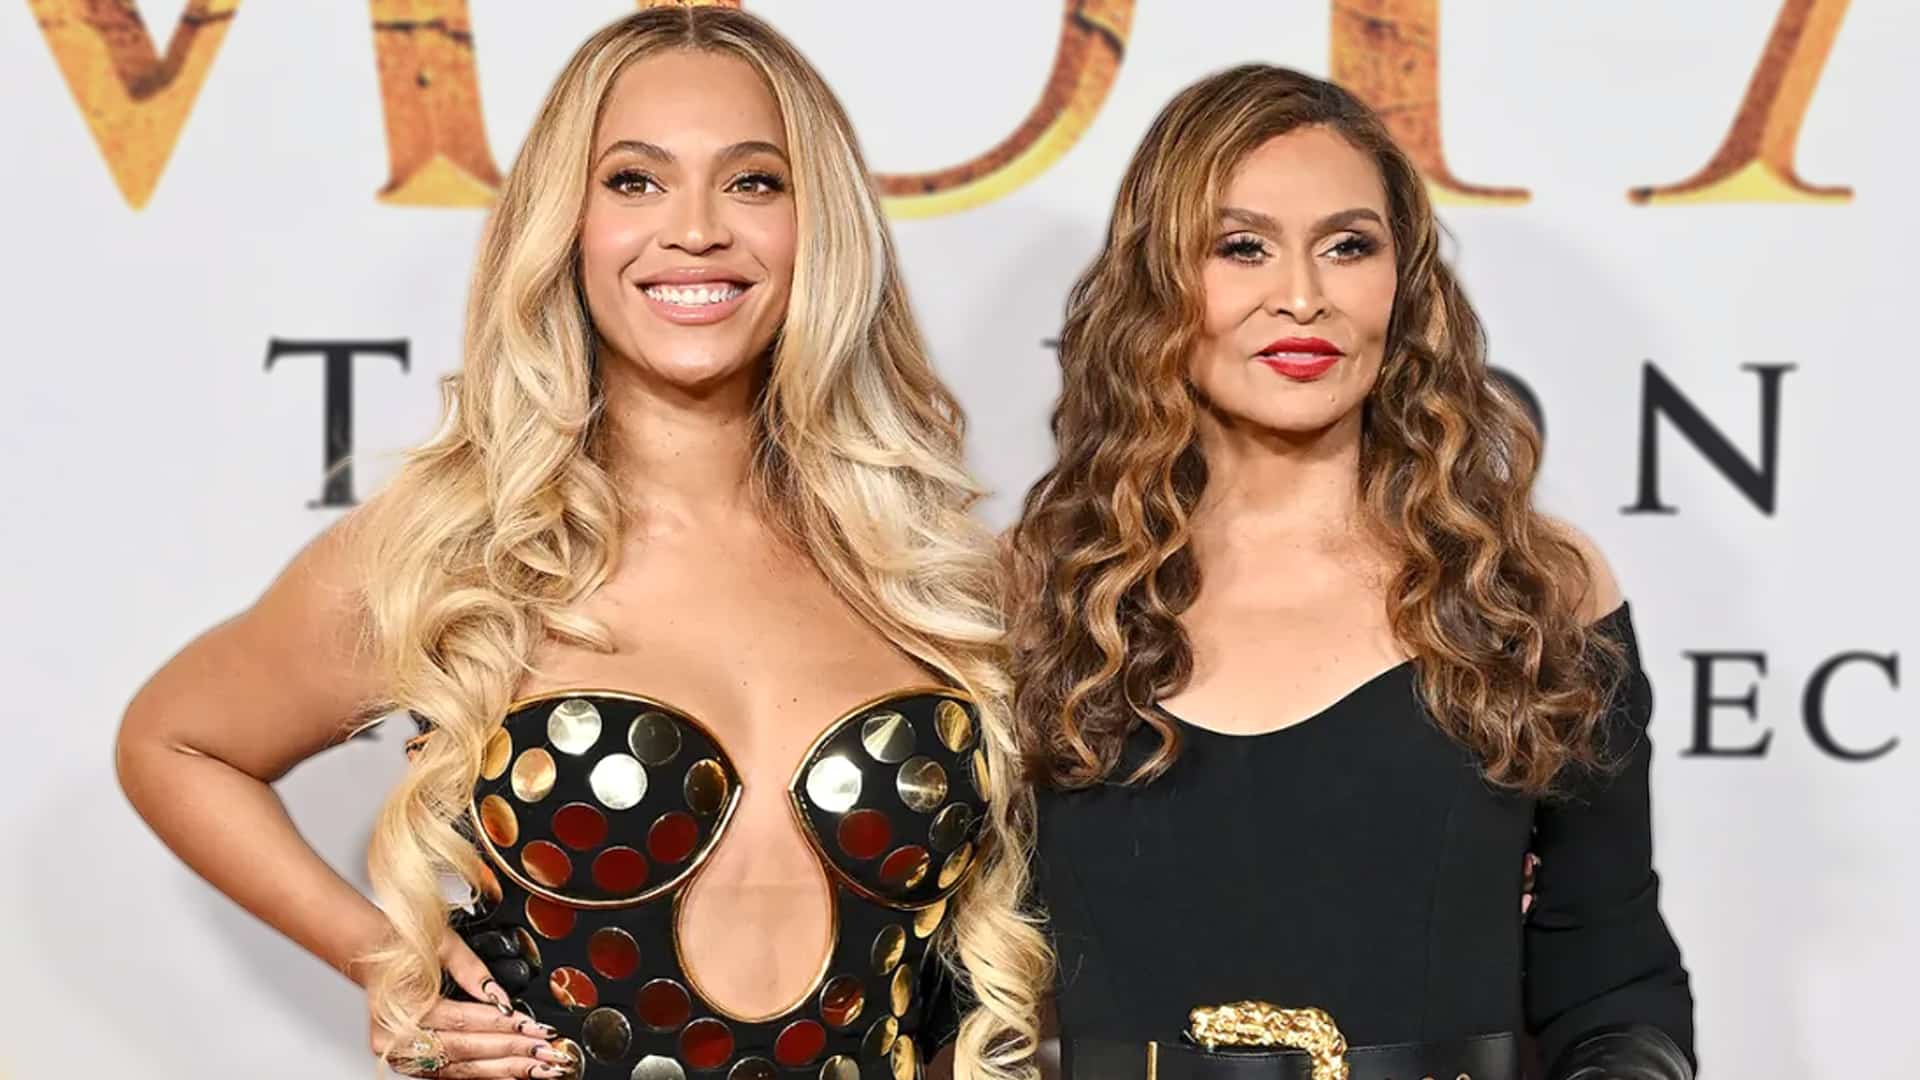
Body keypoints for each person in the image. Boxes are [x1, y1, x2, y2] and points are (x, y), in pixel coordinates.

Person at [115, 8, 1048, 1079]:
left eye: (753, 181)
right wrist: (386, 962)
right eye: (634, 181)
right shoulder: (462, 547)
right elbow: (176, 743)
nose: (695, 230)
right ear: (566, 222)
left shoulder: (928, 569)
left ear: (819, 224)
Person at [1007, 64, 1694, 1080]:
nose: (1302, 298)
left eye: (1348, 246)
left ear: (1403, 284)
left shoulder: (1529, 588)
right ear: (1157, 282)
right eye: (1241, 247)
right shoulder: (1039, 596)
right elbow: (957, 989)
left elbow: (1610, 975)